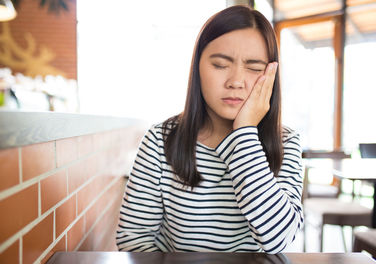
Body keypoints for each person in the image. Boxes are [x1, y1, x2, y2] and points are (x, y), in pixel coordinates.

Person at [116, 5, 303, 253]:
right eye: (219, 65)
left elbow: (279, 240)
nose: (236, 81)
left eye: (255, 68)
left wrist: (245, 132)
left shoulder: (286, 142)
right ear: (198, 68)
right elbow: (133, 240)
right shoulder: (160, 140)